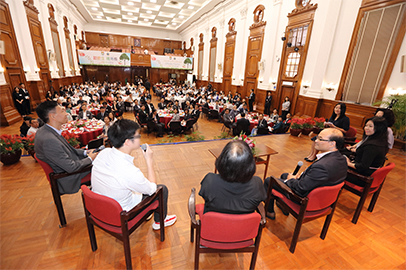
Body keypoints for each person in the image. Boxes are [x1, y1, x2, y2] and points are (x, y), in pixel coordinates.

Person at [91, 119, 177, 230]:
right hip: (122, 214)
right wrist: (149, 161)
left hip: (100, 207)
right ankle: (159, 221)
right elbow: (152, 189)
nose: (140, 137)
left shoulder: (103, 153)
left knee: (136, 187)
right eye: (138, 136)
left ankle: (148, 210)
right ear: (127, 142)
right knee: (162, 189)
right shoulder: (129, 171)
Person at [263, 128, 347, 219]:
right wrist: (303, 176)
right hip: (322, 195)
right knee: (284, 175)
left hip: (305, 198)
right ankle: (283, 206)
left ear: (332, 143)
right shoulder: (342, 159)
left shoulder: (322, 166)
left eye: (320, 139)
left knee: (269, 180)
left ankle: (269, 211)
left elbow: (300, 188)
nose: (316, 141)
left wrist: (291, 179)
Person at [34, 101, 98, 194]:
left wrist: (85, 152)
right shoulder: (49, 140)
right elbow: (71, 167)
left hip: (68, 166)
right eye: (62, 111)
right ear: (53, 116)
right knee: (105, 167)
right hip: (68, 177)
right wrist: (90, 159)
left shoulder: (46, 130)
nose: (66, 114)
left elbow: (69, 150)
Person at [199, 140, 267, 214]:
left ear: (222, 161)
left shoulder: (210, 180)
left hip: (215, 223)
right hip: (244, 224)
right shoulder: (257, 183)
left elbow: (206, 199)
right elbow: (258, 201)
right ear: (250, 164)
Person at [344, 117, 388, 186]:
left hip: (362, 177)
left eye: (370, 126)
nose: (366, 128)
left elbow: (362, 167)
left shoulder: (372, 146)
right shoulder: (380, 140)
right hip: (366, 172)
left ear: (379, 128)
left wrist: (348, 163)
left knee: (333, 167)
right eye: (366, 125)